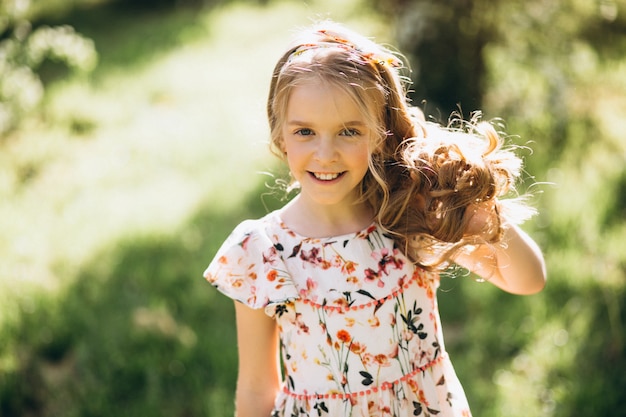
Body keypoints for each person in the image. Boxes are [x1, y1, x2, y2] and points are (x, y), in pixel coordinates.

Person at [203, 20, 546, 417]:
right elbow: (257, 389)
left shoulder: (407, 215)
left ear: (380, 133)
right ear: (280, 134)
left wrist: (478, 210)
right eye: (305, 132)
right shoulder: (261, 252)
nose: (326, 153)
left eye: (349, 131)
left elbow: (528, 279)